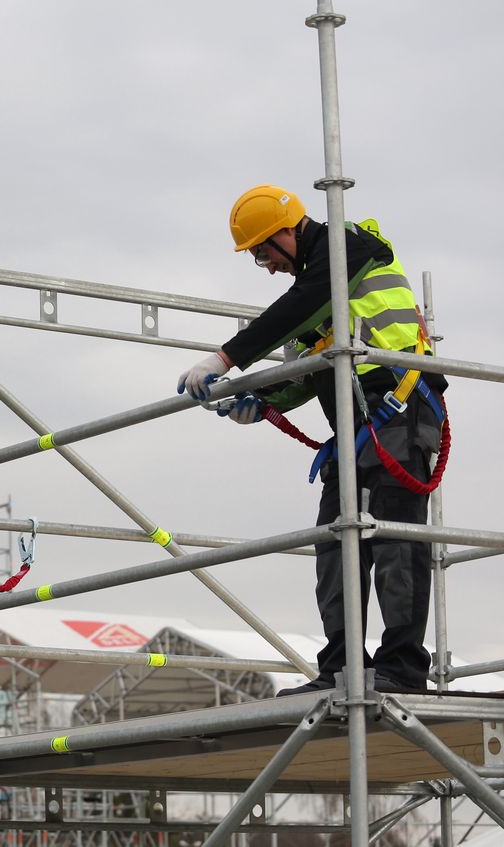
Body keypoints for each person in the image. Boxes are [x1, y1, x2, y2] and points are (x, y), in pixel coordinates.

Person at [177, 184, 447, 696]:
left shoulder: (348, 251)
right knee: (335, 544)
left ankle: (402, 669)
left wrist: (226, 358)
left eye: (263, 252)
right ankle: (341, 668)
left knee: (394, 545)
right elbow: (303, 365)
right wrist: (259, 401)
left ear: (287, 232)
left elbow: (295, 308)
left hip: (402, 411)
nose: (266, 264)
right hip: (357, 431)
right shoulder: (321, 288)